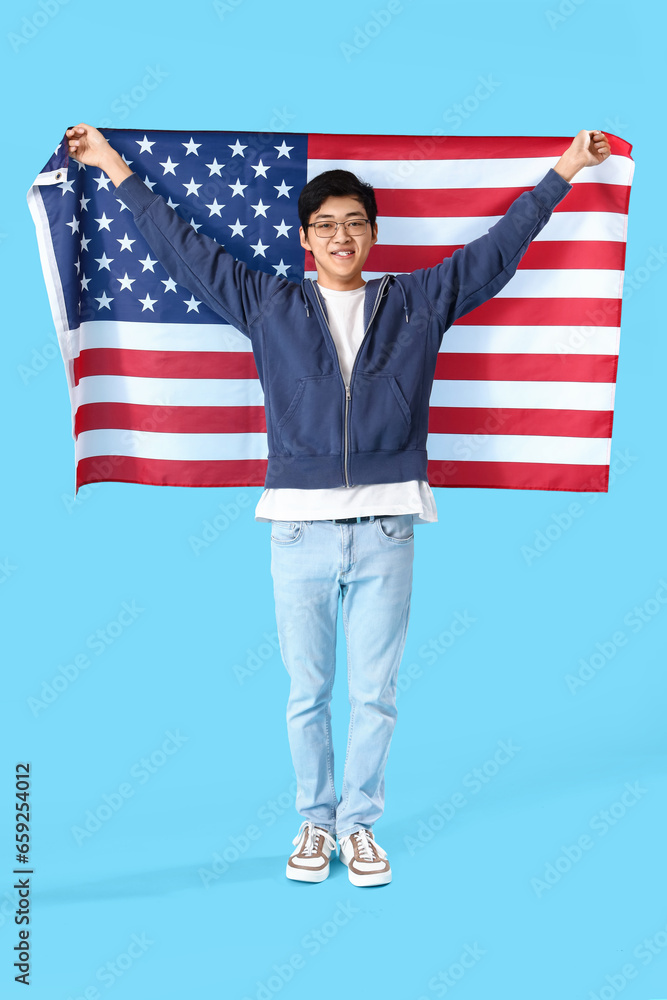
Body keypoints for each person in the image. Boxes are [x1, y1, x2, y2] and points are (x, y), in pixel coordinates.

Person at [65, 124, 611, 886]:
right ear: (304, 239)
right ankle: (313, 825)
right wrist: (109, 164)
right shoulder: (266, 302)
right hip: (296, 529)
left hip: (388, 525)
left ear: (374, 233)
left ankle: (359, 827)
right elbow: (180, 248)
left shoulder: (419, 298)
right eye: (325, 225)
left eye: (354, 223)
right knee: (305, 694)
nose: (341, 236)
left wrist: (565, 169)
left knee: (374, 695)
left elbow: (498, 248)